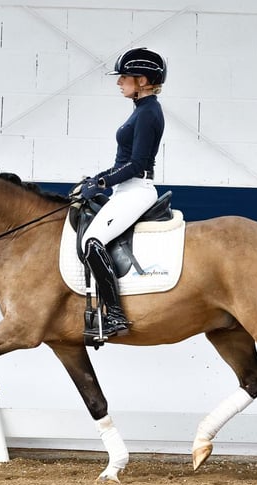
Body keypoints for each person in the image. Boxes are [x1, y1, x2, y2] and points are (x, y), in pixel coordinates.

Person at [78, 47, 167, 339]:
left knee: (92, 242)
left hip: (137, 189)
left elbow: (137, 163)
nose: (119, 83)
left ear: (142, 81)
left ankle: (115, 316)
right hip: (126, 188)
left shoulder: (149, 112)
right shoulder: (141, 110)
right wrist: (98, 178)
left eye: (124, 78)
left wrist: (102, 183)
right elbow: (124, 163)